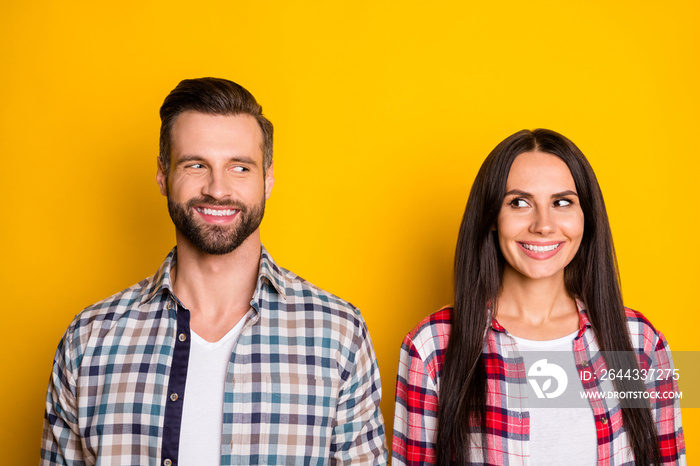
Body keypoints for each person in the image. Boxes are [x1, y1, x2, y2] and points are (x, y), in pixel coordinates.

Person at [42, 77, 388, 465]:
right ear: (162, 174)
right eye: (196, 165)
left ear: (268, 178)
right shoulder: (88, 343)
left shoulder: (338, 337)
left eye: (240, 167)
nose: (218, 189)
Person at [392, 129, 685, 465]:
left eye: (562, 202)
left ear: (585, 217)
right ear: (491, 218)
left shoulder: (639, 342)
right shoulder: (432, 347)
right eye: (519, 202)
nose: (543, 225)